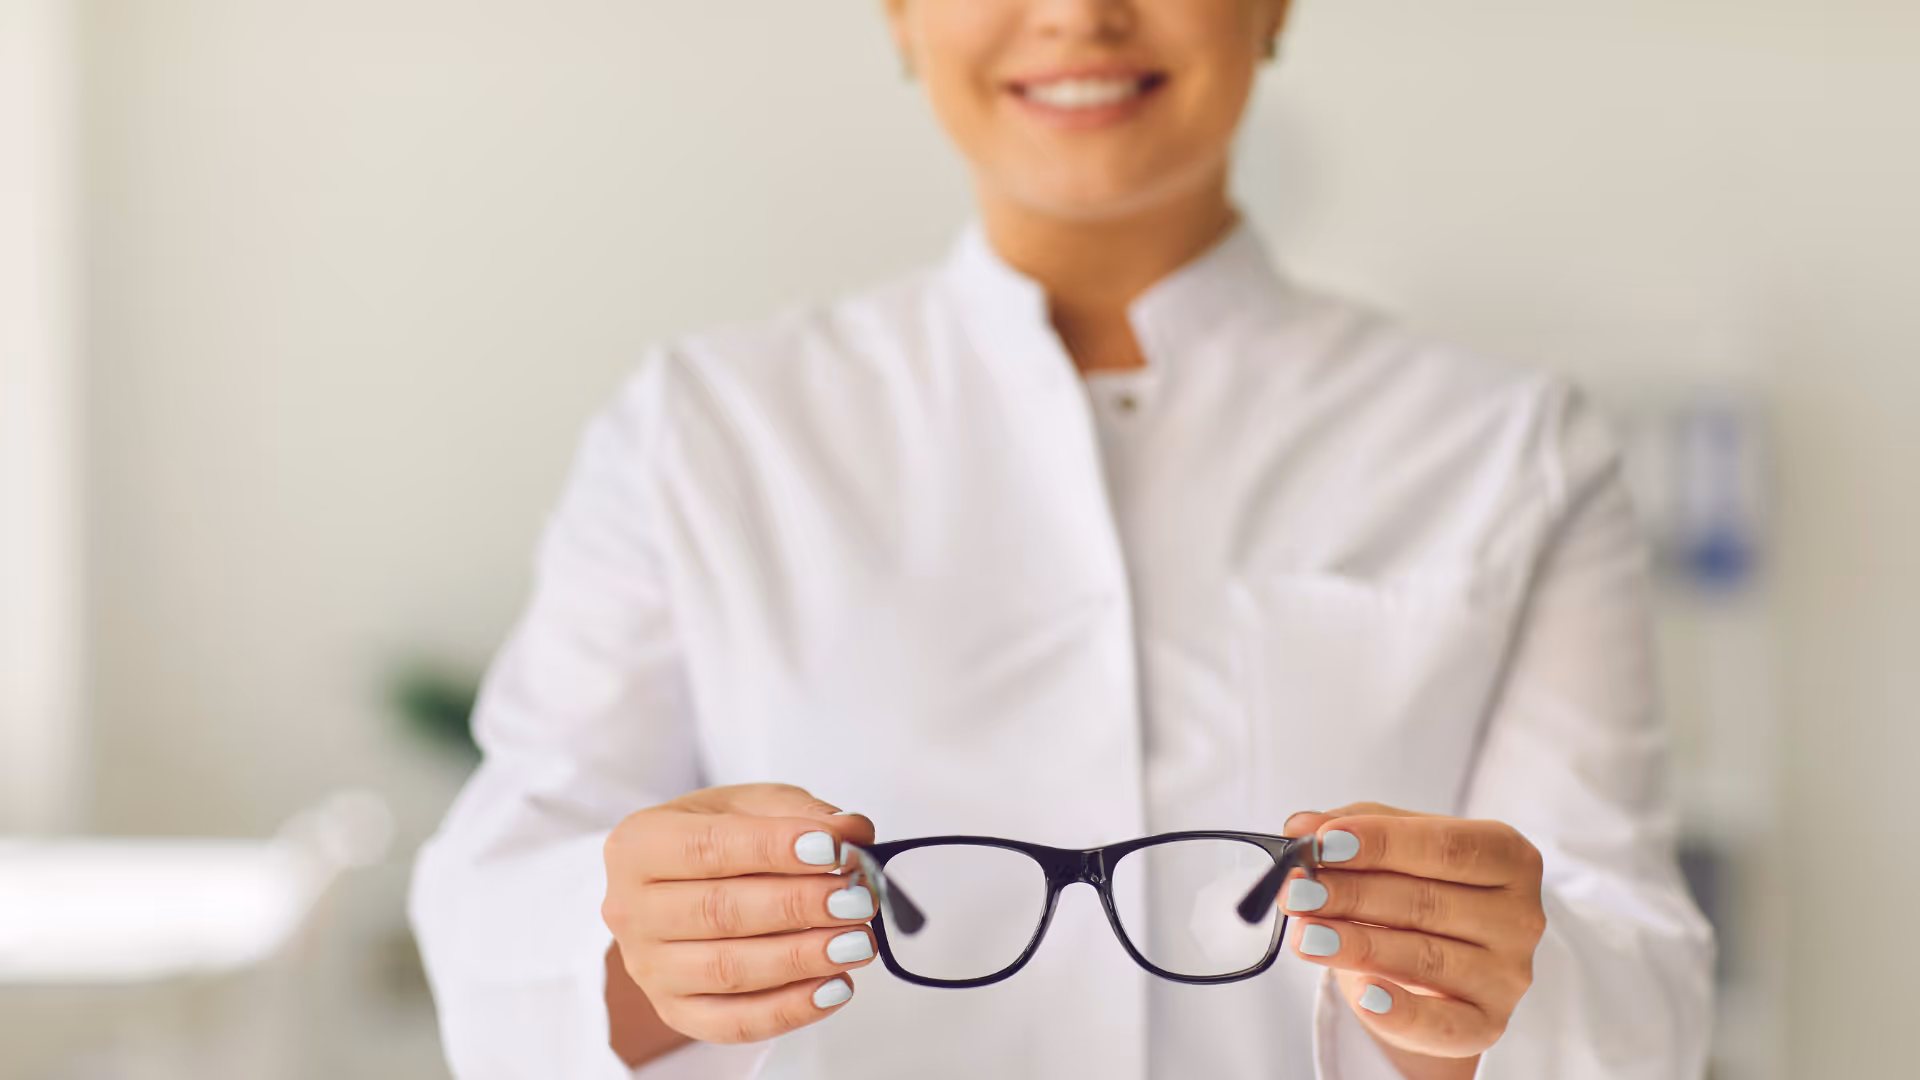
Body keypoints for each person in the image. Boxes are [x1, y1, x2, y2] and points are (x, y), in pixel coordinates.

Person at [408, 2, 1714, 1078]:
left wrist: (1488, 1008)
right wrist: (634, 948)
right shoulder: (697, 429)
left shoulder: (1512, 447)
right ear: (900, 16)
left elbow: (1641, 979)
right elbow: (492, 900)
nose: (1082, 15)